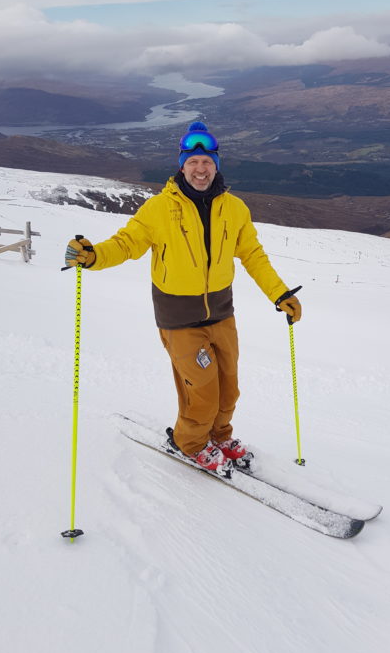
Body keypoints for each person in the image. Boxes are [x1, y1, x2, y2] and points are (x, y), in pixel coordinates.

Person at [65, 121, 302, 477]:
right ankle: (189, 442)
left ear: (216, 165)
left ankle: (220, 437)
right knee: (202, 392)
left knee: (229, 387)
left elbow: (253, 254)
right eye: (193, 162)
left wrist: (279, 293)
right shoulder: (160, 208)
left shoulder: (234, 208)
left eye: (207, 162)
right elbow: (127, 242)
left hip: (222, 313)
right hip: (179, 317)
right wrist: (94, 255)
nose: (201, 169)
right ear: (181, 165)